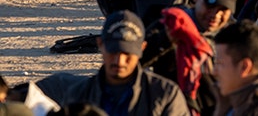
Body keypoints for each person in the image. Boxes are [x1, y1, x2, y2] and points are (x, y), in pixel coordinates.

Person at [36, 10, 189, 116]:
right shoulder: (78, 95)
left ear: (142, 49)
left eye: (127, 54)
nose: (119, 61)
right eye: (113, 52)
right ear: (100, 45)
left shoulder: (165, 95)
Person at [141, 0, 239, 115]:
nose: (215, 15)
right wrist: (165, 40)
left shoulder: (235, 35)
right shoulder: (170, 23)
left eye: (223, 10)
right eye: (210, 5)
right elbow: (133, 60)